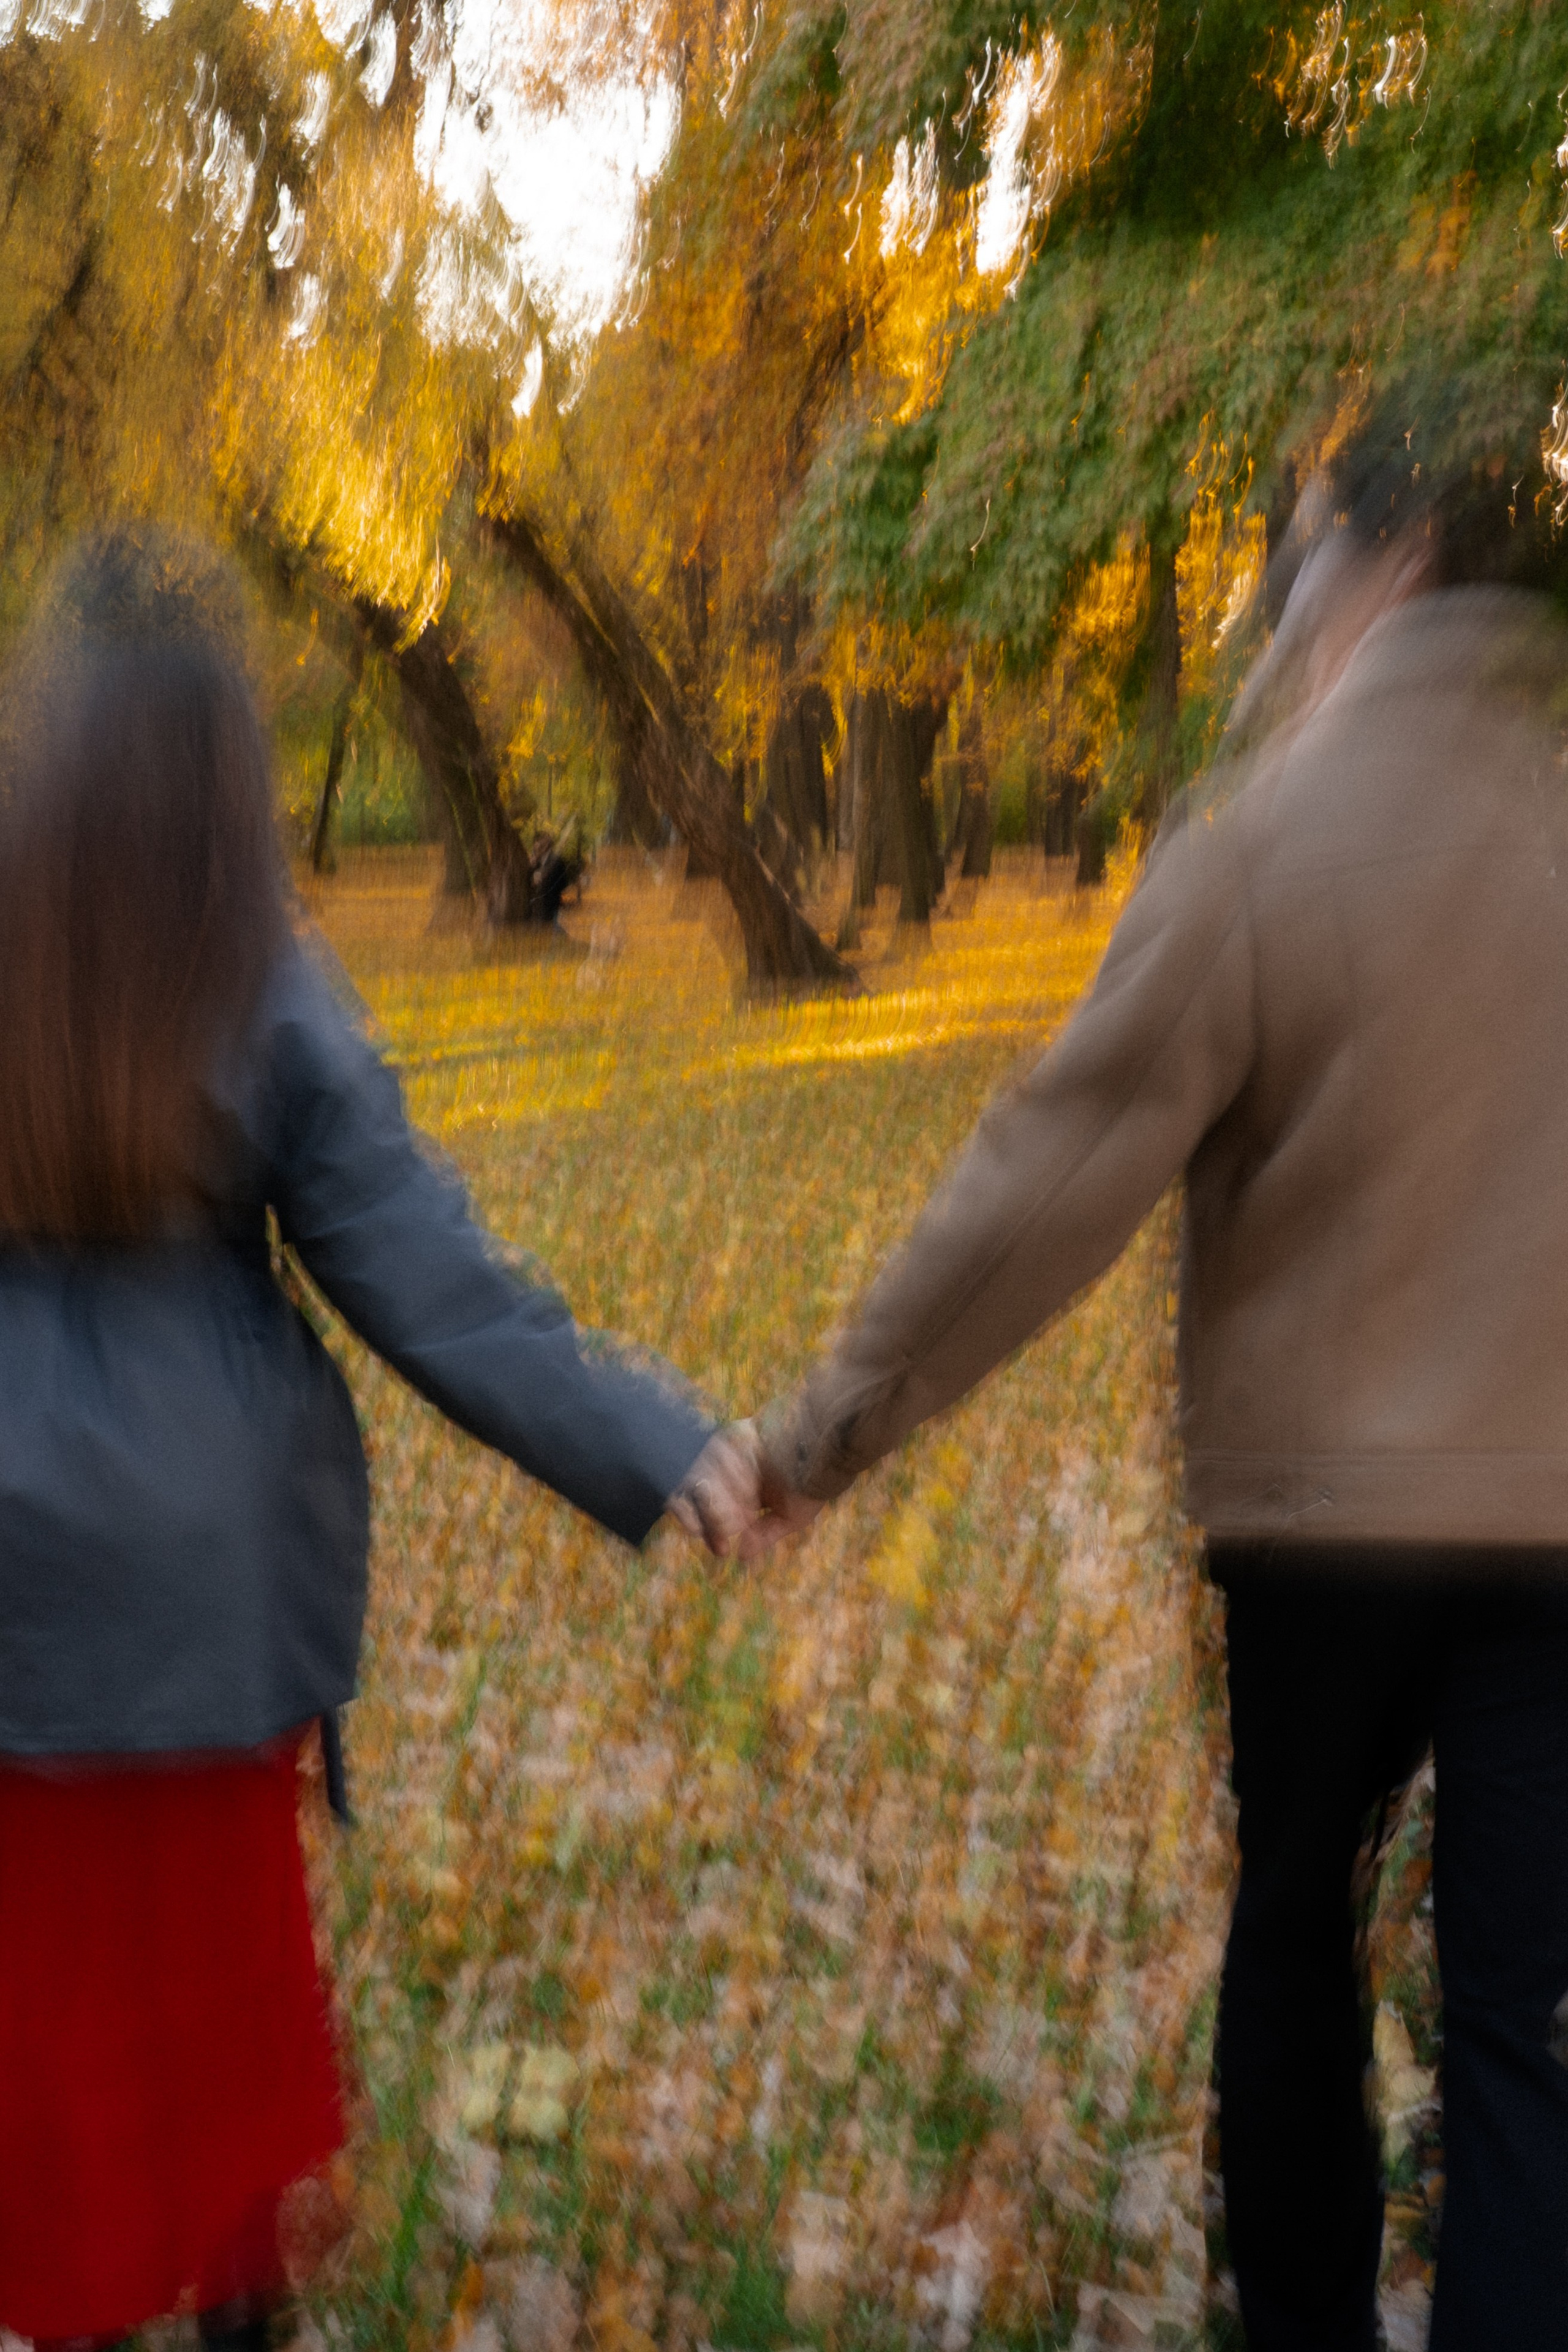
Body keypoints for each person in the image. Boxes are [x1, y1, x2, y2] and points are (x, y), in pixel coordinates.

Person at [758, 401, 1568, 2350]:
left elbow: (1047, 1182)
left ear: (1391, 563)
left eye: (1301, 557)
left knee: (1295, 1942)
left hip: (1319, 1539)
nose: (1278, 607)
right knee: (1520, 2023)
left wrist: (823, 1431)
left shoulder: (1264, 847)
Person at [0, 529, 760, 2352]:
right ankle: (233, 2315)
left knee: (47, 2010)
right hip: (206, 1607)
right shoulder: (259, 980)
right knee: (212, 2011)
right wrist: (663, 1445)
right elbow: (437, 1288)